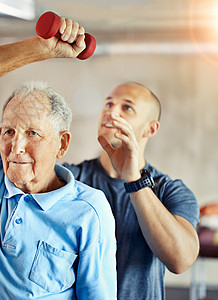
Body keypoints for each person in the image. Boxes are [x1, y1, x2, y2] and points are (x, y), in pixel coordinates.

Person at [0, 18, 117, 299]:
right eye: (8, 131)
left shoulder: (89, 210)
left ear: (62, 144)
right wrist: (43, 47)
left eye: (32, 133)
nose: (16, 146)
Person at [62, 82, 200, 299]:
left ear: (150, 128)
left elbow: (180, 260)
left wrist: (133, 179)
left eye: (126, 107)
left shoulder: (171, 191)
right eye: (108, 103)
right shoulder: (69, 179)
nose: (111, 111)